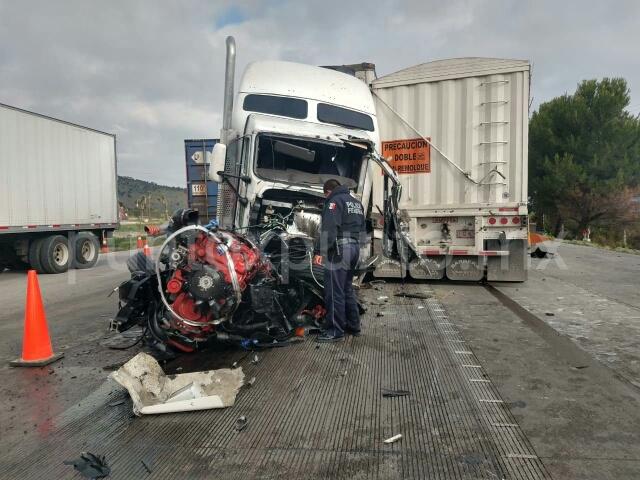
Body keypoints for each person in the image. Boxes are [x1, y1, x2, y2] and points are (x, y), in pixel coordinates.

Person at [313, 179, 365, 343]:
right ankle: (353, 326)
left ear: (328, 192)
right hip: (354, 249)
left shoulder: (333, 202)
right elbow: (363, 229)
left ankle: (335, 331)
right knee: (346, 288)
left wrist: (319, 251)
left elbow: (329, 229)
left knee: (334, 290)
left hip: (341, 250)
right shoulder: (357, 204)